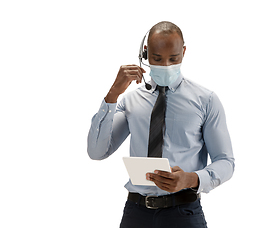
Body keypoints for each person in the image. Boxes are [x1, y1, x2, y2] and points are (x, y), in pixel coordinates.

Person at [87, 21, 235, 228]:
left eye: (173, 59)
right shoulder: (130, 101)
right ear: (145, 54)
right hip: (136, 213)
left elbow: (226, 161)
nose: (166, 65)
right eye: (157, 59)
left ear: (183, 52)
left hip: (183, 212)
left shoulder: (206, 100)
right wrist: (113, 94)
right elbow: (97, 152)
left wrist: (191, 179)